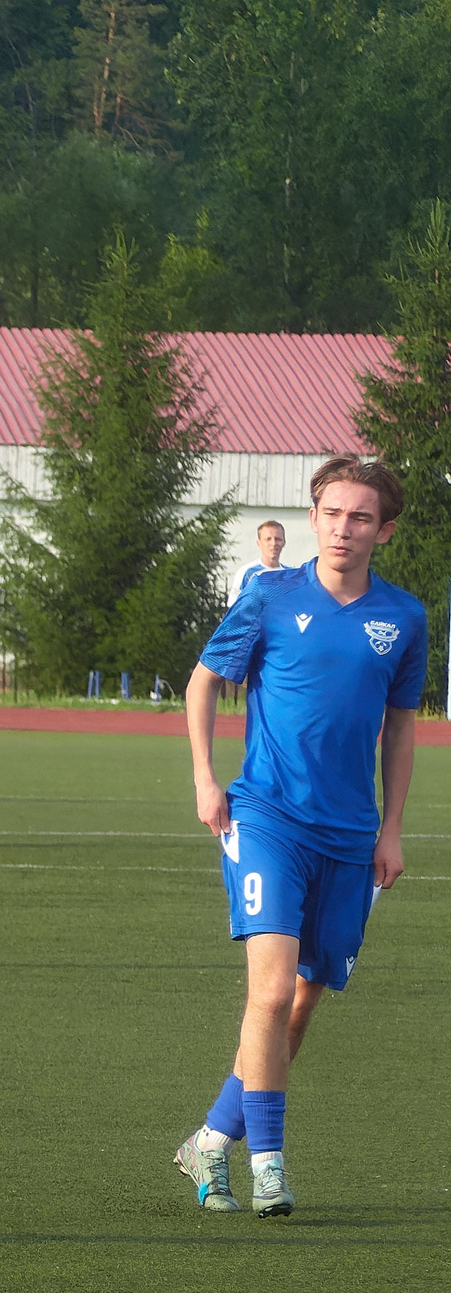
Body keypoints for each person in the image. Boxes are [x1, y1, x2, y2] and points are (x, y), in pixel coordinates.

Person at [173, 457, 421, 1219]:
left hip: (350, 836)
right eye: (331, 513)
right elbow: (203, 680)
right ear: (312, 517)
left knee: (306, 1000)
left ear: (384, 528)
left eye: (360, 517)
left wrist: (392, 830)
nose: (343, 528)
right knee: (272, 991)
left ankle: (213, 1139)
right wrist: (205, 779)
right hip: (267, 816)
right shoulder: (270, 597)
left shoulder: (404, 618)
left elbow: (403, 728)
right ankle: (270, 1167)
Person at [237, 520, 286, 594]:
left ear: (284, 542)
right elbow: (235, 603)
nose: (273, 543)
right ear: (259, 543)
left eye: (278, 539)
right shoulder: (248, 573)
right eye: (268, 539)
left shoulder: (290, 574)